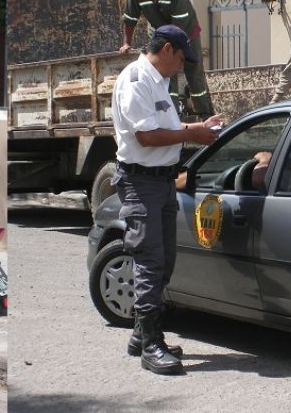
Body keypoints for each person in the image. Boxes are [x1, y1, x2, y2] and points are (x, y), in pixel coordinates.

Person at [111, 24, 221, 375]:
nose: (182, 66)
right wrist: (193, 132)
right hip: (140, 182)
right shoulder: (137, 80)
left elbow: (166, 132)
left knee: (165, 261)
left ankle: (142, 333)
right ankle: (150, 345)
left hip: (161, 182)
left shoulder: (160, 82)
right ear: (169, 49)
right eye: (182, 59)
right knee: (150, 261)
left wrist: (199, 127)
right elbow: (146, 136)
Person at [119, 0, 214, 118]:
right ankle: (172, 113)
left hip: (186, 31)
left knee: (193, 68)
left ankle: (203, 112)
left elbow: (179, 23)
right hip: (159, 34)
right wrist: (126, 43)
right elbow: (130, 18)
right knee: (166, 71)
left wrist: (171, 49)